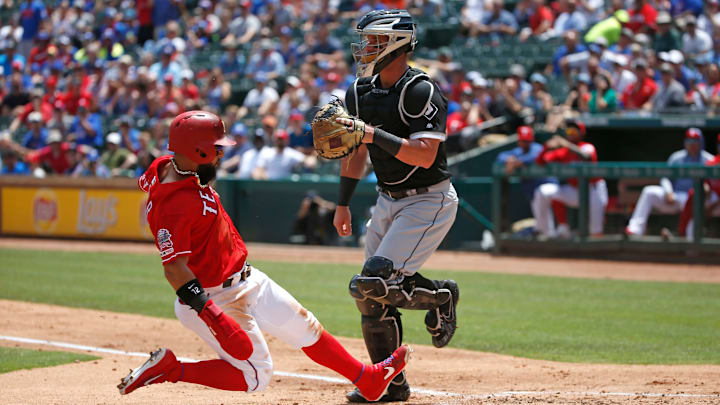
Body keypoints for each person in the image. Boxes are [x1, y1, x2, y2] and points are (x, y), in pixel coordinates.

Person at [118, 111, 410, 401]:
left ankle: (367, 379)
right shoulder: (173, 205)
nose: (221, 154)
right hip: (212, 297)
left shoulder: (171, 166)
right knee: (256, 376)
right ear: (198, 150)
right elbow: (174, 268)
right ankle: (171, 369)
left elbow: (155, 179)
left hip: (245, 276)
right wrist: (210, 313)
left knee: (305, 328)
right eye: (217, 148)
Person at [332, 10, 459, 402]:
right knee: (369, 294)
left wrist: (371, 132)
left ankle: (441, 297)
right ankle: (392, 384)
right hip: (387, 199)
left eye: (373, 41)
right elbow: (356, 152)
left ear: (396, 44)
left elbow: (423, 156)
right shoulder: (360, 92)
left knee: (374, 280)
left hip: (429, 199)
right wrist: (343, 204)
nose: (365, 48)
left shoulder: (420, 89)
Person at [626, 128, 714, 236]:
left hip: (695, 201)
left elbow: (713, 184)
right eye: (689, 141)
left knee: (693, 220)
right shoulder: (677, 158)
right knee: (649, 192)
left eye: (695, 141)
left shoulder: (708, 160)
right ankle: (635, 229)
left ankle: (689, 245)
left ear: (701, 142)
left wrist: (707, 188)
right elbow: (665, 177)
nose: (691, 145)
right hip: (675, 197)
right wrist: (668, 191)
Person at [532, 119, 608, 237]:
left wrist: (565, 143)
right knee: (543, 191)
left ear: (581, 133)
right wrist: (547, 147)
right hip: (574, 191)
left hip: (593, 191)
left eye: (574, 130)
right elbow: (540, 162)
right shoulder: (563, 151)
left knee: (596, 231)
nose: (570, 133)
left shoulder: (587, 147)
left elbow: (586, 156)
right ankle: (545, 231)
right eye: (569, 130)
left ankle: (597, 249)